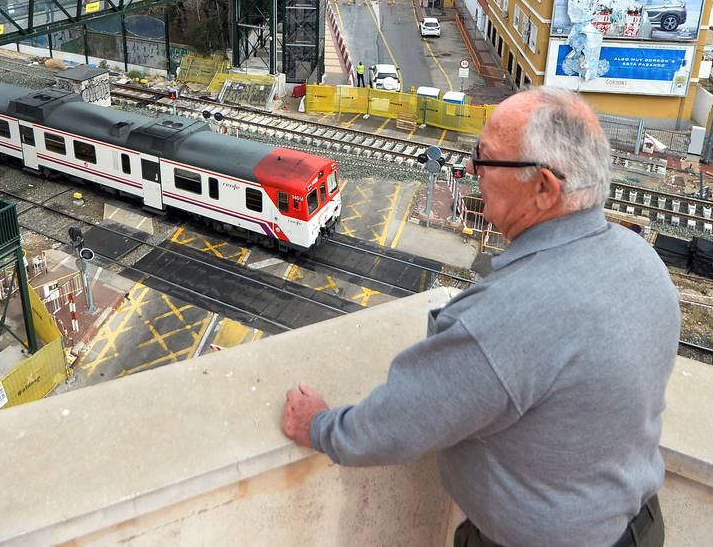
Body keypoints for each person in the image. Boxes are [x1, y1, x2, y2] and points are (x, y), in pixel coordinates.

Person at [282, 88, 678, 547]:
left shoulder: (507, 318)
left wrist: (318, 426)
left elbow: (400, 423)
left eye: (486, 159)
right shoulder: (641, 259)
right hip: (640, 527)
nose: (472, 170)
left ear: (544, 189)